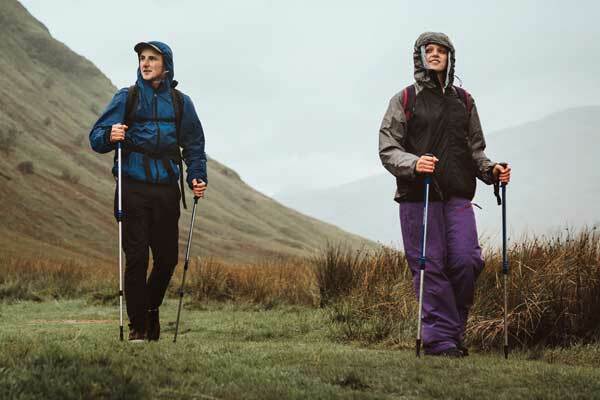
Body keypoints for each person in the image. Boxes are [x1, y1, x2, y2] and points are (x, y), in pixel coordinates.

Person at [378, 32, 511, 357]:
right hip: (418, 195)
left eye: (441, 51)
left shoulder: (464, 101)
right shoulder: (405, 100)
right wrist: (414, 163)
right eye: (429, 50)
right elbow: (387, 148)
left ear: (450, 57)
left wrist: (492, 170)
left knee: (467, 261)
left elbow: (475, 151)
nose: (435, 55)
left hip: (457, 196)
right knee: (429, 266)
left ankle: (453, 334)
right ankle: (441, 342)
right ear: (419, 57)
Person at [90, 41, 207, 342]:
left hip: (167, 189)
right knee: (137, 257)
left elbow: (193, 145)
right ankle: (138, 325)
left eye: (152, 58)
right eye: (142, 58)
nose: (145, 63)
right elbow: (96, 137)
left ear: (165, 65)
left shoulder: (182, 103)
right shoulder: (126, 97)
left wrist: (197, 175)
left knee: (167, 258)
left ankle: (150, 310)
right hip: (132, 186)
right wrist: (109, 134)